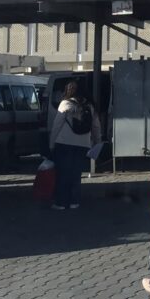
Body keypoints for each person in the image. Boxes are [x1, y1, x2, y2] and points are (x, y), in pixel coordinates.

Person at [49, 81, 101, 210]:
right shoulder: (89, 106)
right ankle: (74, 201)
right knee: (76, 174)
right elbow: (96, 126)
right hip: (83, 144)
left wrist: (51, 143)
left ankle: (61, 202)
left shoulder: (65, 104)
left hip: (64, 143)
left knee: (63, 174)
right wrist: (97, 142)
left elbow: (56, 126)